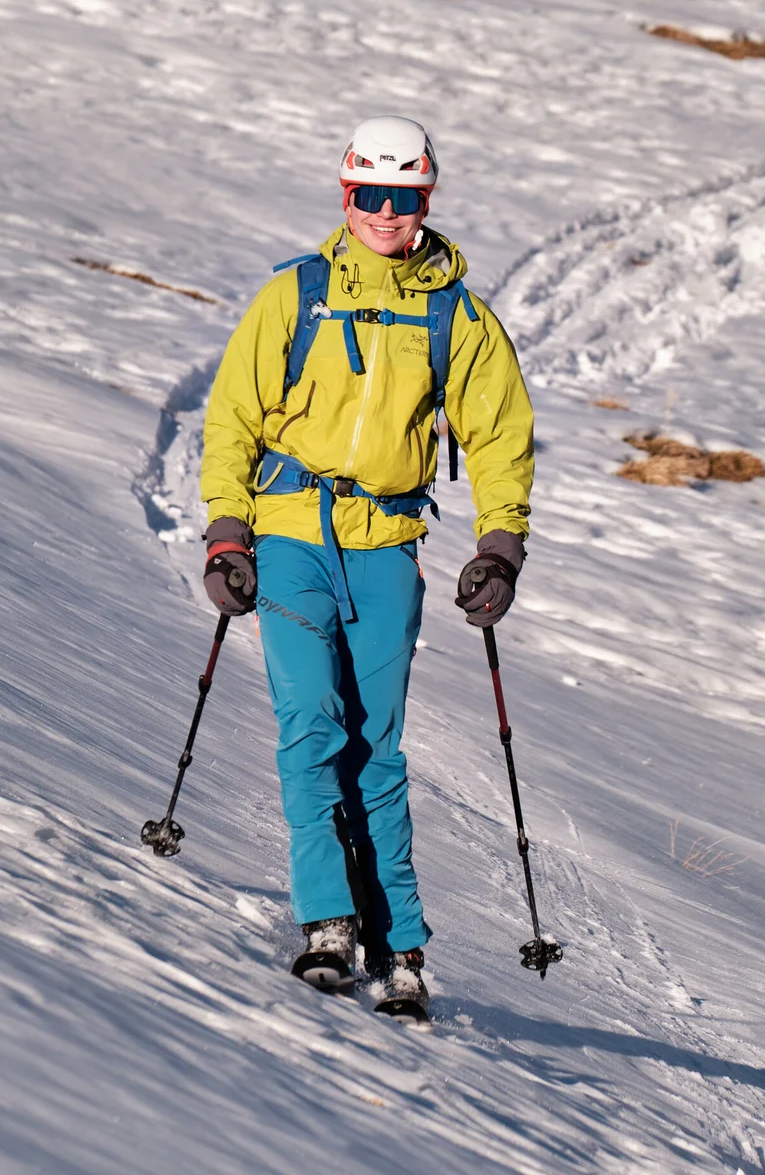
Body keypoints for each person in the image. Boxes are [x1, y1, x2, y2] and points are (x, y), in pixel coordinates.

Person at [198, 116, 534, 1023]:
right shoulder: (295, 296)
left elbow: (501, 438)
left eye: (406, 196)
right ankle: (328, 923)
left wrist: (500, 547)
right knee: (312, 727)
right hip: (290, 536)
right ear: (345, 194)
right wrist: (227, 534)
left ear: (428, 198)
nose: (387, 213)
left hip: (388, 548)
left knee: (375, 749)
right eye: (371, 195)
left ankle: (401, 945)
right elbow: (233, 415)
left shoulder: (455, 315)